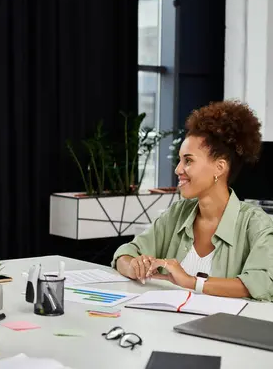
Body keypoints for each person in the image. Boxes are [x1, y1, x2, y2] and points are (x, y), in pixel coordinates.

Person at [113, 100, 273, 301]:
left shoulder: (256, 224)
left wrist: (191, 281)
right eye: (179, 160)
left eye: (188, 161)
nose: (178, 169)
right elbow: (125, 254)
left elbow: (262, 283)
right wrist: (133, 266)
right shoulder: (176, 214)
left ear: (219, 167)